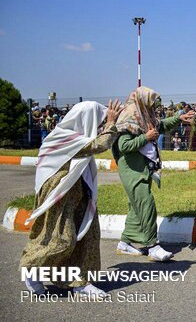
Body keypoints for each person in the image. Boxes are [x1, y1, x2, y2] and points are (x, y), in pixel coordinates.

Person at [20, 100, 121, 298]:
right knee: (61, 237)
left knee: (89, 236)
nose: (100, 126)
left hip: (80, 192)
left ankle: (81, 283)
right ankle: (32, 268)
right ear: (86, 119)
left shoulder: (77, 137)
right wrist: (110, 124)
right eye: (98, 121)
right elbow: (100, 144)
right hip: (59, 194)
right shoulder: (64, 137)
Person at [113, 87, 195, 261]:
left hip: (142, 168)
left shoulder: (143, 116)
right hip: (131, 170)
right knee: (146, 204)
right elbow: (123, 146)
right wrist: (146, 137)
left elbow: (160, 125)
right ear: (141, 101)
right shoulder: (129, 118)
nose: (153, 107)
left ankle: (125, 243)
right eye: (150, 103)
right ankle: (152, 246)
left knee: (137, 207)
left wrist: (178, 118)